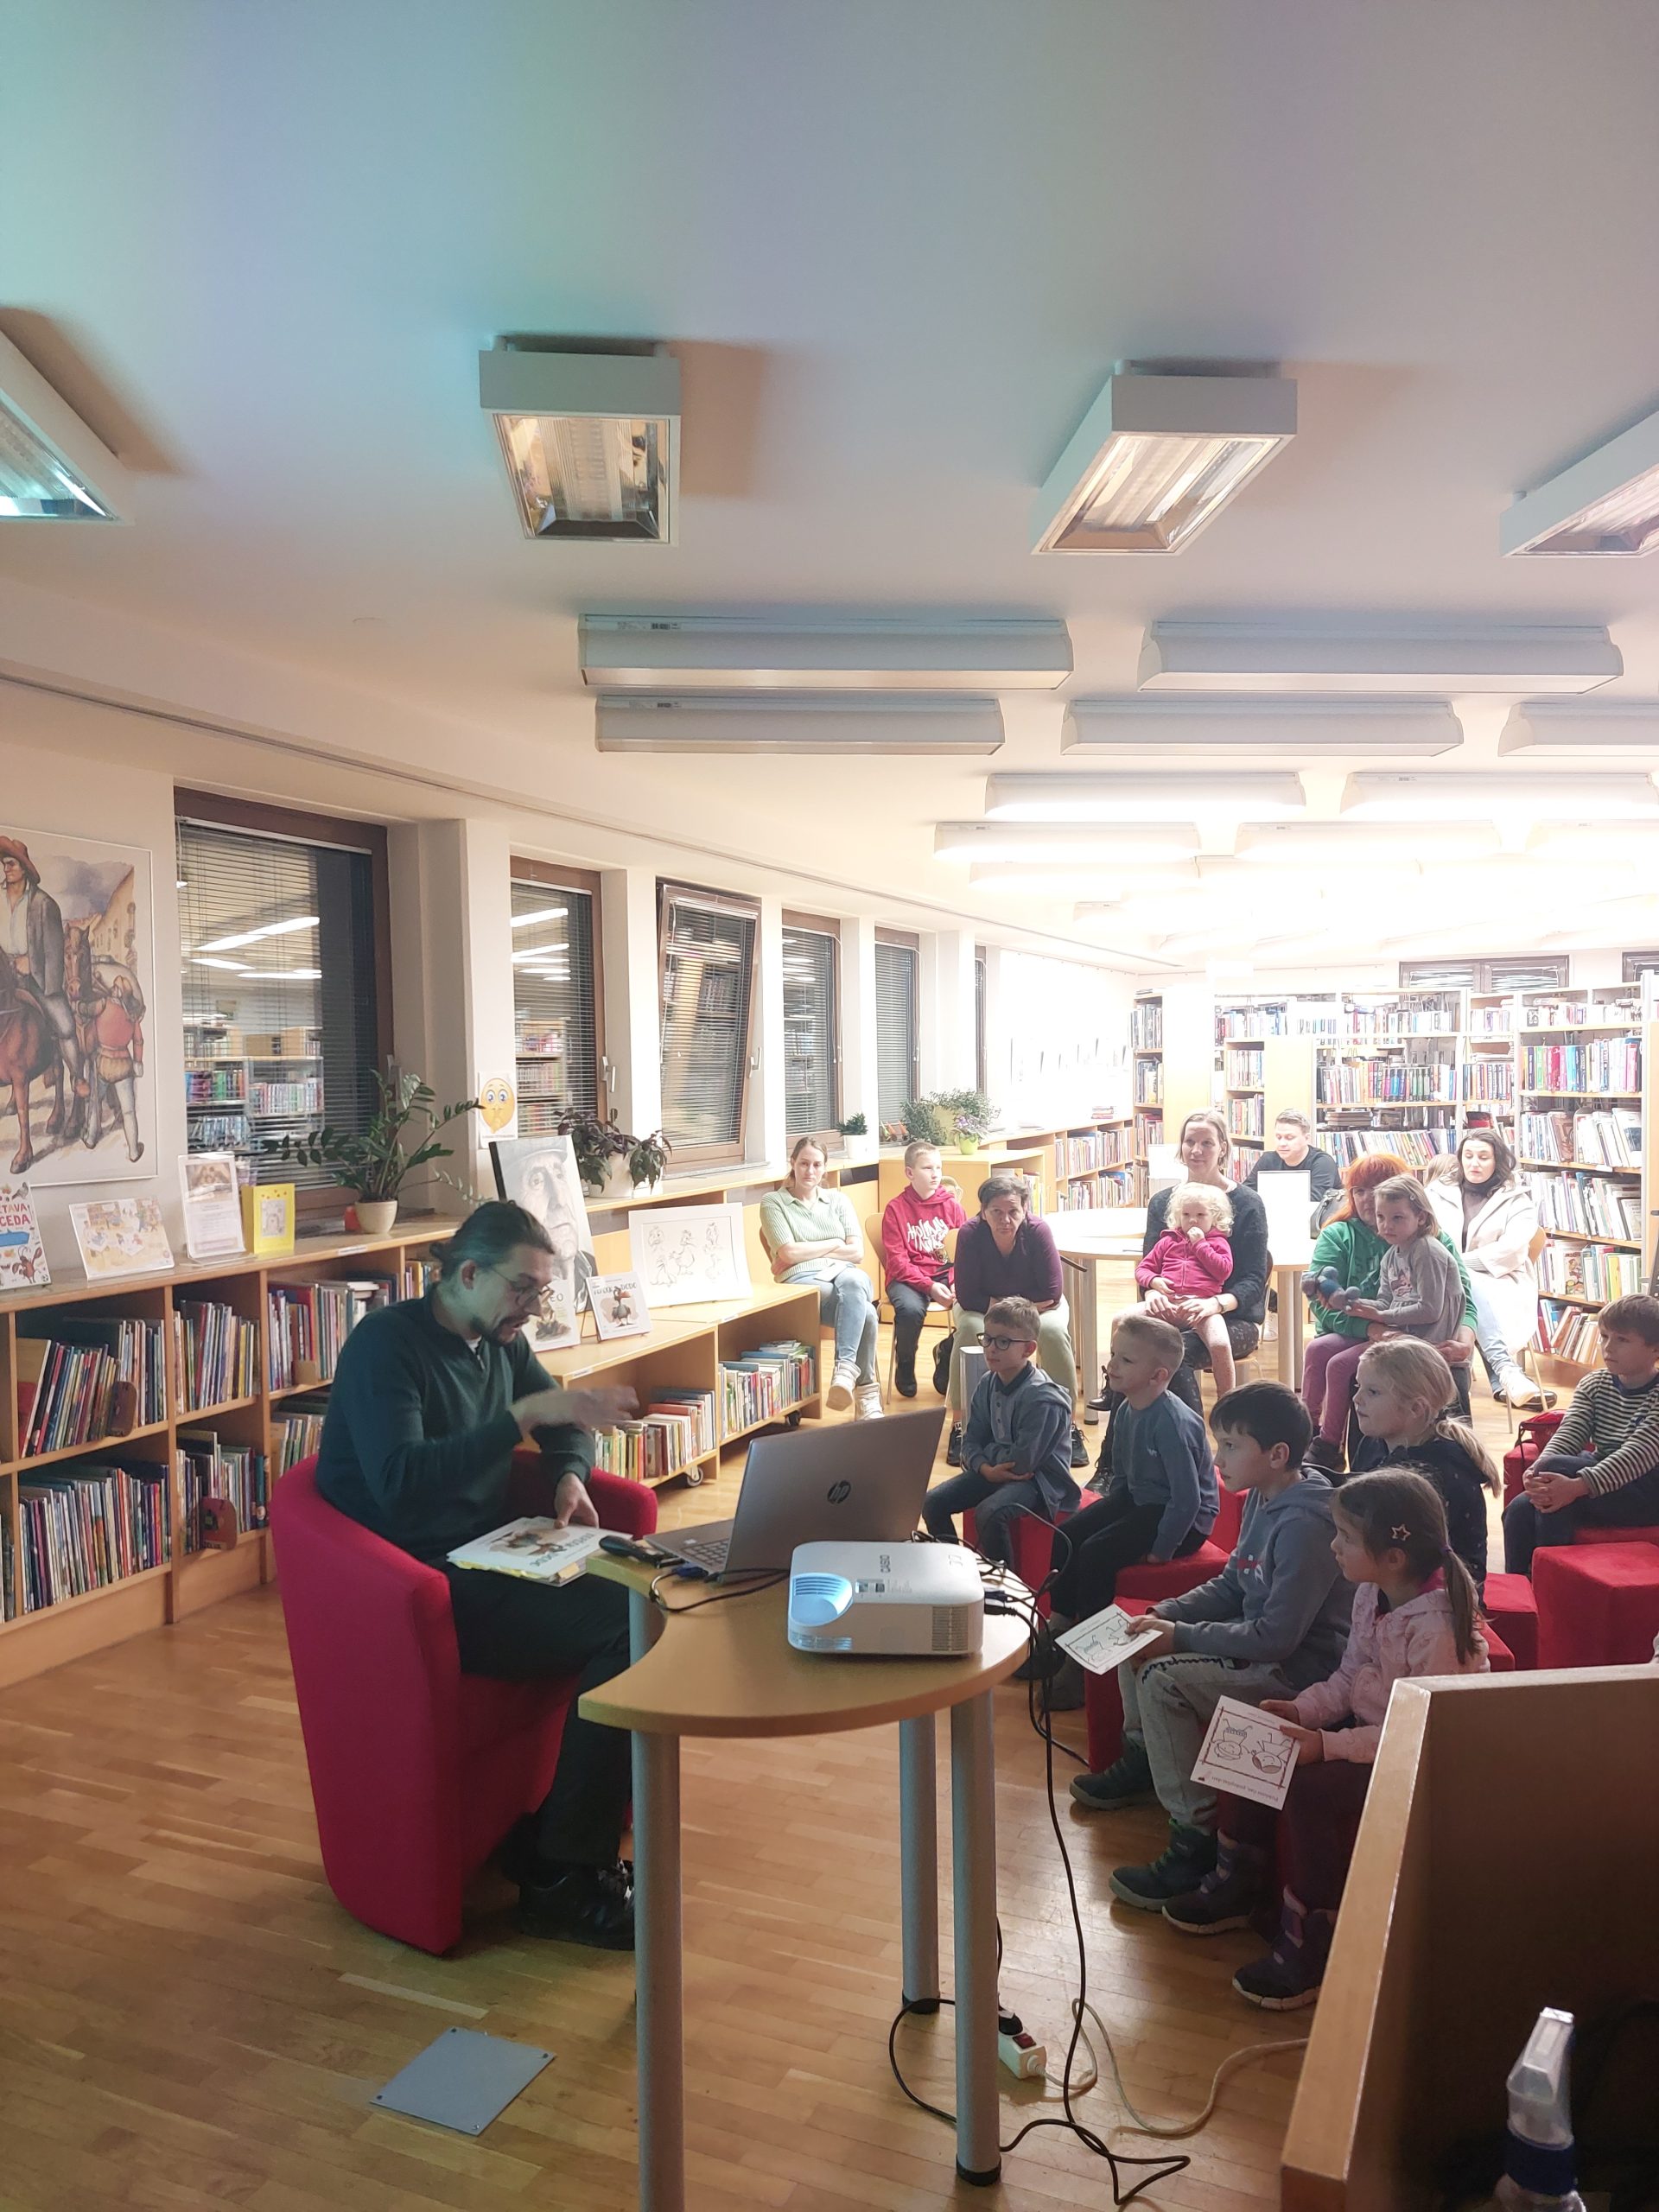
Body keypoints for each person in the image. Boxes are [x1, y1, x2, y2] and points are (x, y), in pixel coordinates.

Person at [314, 1200, 640, 1948]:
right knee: (629, 1626)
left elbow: (560, 1417)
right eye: (522, 1289)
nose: (532, 1308)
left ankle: (555, 1840)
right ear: (467, 1274)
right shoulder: (386, 1348)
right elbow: (401, 1485)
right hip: (415, 1584)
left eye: (540, 1292)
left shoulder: (498, 1341)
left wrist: (568, 1474)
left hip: (489, 1556)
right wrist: (519, 1418)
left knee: (645, 1595)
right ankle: (561, 1876)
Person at [1161, 1470, 1487, 2010]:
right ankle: (1240, 1881)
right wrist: (1300, 1711)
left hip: (1420, 1755)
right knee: (1258, 1735)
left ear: (1393, 1557)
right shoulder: (1371, 1593)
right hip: (1372, 1734)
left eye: (1346, 1537)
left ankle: (1317, 1938)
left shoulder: (1435, 1629)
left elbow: (1417, 1731)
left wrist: (1326, 1747)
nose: (1333, 1545)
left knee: (1309, 1789)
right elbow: (1347, 1676)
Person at [1070, 1382, 1353, 1912]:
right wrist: (1165, 1614)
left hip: (1298, 1672)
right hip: (1262, 1645)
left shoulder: (1304, 1525)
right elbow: (1232, 1583)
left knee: (1163, 1678)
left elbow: (1277, 1638)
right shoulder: (1265, 1497)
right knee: (1140, 1638)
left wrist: (1180, 1637)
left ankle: (1193, 1839)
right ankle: (1143, 1761)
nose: (1217, 1459)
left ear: (1277, 1455)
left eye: (1230, 1446)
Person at [1021, 1313, 1217, 1711]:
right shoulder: (1126, 1408)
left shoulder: (1173, 1422)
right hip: (1143, 1499)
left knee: (1097, 1555)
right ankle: (1060, 1631)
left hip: (1183, 1520)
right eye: (1113, 1355)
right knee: (1069, 1535)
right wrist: (1115, 1509)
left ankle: (1084, 1667)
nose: (1112, 1365)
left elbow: (1187, 1499)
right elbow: (1125, 1476)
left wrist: (1163, 1548)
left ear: (1158, 1376)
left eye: (1126, 1360)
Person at [1300, 1168, 1471, 1472]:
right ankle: (1306, 1432)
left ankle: (1328, 1445)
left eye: (1396, 1218)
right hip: (1400, 1331)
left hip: (1424, 1339)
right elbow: (1385, 1301)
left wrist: (1379, 1316)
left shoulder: (1427, 1250)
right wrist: (1351, 1305)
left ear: (1420, 1217)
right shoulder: (1393, 1254)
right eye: (1382, 1218)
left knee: (1339, 1365)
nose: (1386, 1225)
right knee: (1318, 1349)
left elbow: (1430, 1310)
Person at [1502, 1294, 1659, 1573]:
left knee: (1555, 1486)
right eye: (1604, 1336)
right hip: (1601, 1474)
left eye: (1622, 1340)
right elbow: (1570, 1433)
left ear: (1655, 1349)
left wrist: (1577, 1486)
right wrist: (1538, 1471)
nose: (1608, 1347)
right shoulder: (1595, 1383)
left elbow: (1637, 1455)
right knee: (1518, 1509)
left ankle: (1552, 1583)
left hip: (1647, 1489)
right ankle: (1521, 1590)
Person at [920, 1296, 1080, 1566]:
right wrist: (985, 1468)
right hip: (994, 1472)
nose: (991, 1349)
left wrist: (986, 1454)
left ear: (1028, 1349)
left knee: (990, 1514)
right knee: (932, 1502)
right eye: (988, 1339)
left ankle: (1005, 1584)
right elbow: (969, 1441)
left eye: (1003, 1342)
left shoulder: (1042, 1398)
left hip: (1040, 1482)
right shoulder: (987, 1383)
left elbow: (1022, 1463)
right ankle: (952, 1570)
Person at [1137, 1110, 1268, 1420]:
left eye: (1207, 1143)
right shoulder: (1163, 1202)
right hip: (1173, 1309)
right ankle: (1124, 1444)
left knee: (1173, 1352)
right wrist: (1151, 1293)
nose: (1196, 1150)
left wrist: (1215, 1304)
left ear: (1223, 1148)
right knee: (1133, 1346)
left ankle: (1198, 1440)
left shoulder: (1248, 1203)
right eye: (1189, 1142)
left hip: (1232, 1317)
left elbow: (1253, 1279)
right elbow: (1149, 1265)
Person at [949, 1173, 1083, 1468]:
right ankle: (961, 1424)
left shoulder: (1038, 1231)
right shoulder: (970, 1234)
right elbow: (967, 1296)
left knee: (1053, 1332)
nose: (1005, 1220)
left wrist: (1015, 1309)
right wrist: (1004, 1309)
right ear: (983, 1212)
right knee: (970, 1328)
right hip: (983, 1308)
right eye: (996, 1211)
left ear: (1025, 1209)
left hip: (1037, 1309)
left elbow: (1051, 1292)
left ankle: (1068, 1424)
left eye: (1013, 1211)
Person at [1346, 1337, 1499, 1590]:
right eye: (1358, 1386)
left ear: (1416, 1408)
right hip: (1386, 1575)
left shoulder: (1440, 1472)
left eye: (1372, 1392)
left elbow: (1415, 1558)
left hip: (1438, 1595)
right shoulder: (1373, 1444)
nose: (1356, 1398)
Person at [759, 1136, 882, 1420]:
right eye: (804, 1163)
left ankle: (844, 1372)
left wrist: (806, 1249)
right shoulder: (774, 1202)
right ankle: (865, 1395)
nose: (810, 1171)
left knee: (855, 1282)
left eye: (817, 1165)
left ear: (825, 1168)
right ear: (792, 1163)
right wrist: (835, 1243)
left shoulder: (838, 1200)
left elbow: (858, 1252)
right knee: (866, 1313)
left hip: (844, 1276)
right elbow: (788, 1253)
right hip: (802, 1281)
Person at [1426, 1128, 1548, 1408]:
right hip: (1442, 1277)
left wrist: (1458, 1264)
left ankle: (1467, 1390)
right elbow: (1424, 1235)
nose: (1474, 1163)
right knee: (1462, 1283)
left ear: (1497, 1161)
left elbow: (1511, 1250)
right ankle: (1504, 1371)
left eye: (1483, 1157)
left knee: (1466, 1282)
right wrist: (1453, 1266)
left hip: (1500, 1279)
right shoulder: (1436, 1192)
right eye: (1468, 1156)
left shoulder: (1517, 1199)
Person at [0, 836, 86, 1140]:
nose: (6, 869)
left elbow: (53, 952)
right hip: (3, 974)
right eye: (4, 864)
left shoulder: (44, 905)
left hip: (36, 978)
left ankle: (78, 1082)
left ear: (24, 867)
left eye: (11, 863)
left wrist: (31, 964)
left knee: (64, 1024)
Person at [1132, 1182, 1239, 1397]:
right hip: (1167, 1305)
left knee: (1220, 1343)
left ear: (1215, 1218)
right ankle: (1115, 1383)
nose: (1192, 1220)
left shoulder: (1218, 1243)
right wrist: (1154, 1282)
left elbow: (1223, 1271)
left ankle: (1227, 1399)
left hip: (1202, 1308)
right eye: (1186, 1215)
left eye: (1201, 1215)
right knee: (1121, 1320)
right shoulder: (1167, 1241)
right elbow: (1143, 1269)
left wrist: (1200, 1245)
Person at [880, 1140, 968, 1400]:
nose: (935, 1174)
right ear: (910, 1173)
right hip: (906, 1278)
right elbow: (897, 1262)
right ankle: (905, 1363)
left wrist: (956, 1281)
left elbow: (965, 1253)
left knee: (977, 1305)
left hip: (946, 1274)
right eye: (928, 1168)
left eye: (938, 1168)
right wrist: (929, 1286)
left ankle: (946, 1353)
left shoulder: (953, 1207)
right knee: (910, 1310)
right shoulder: (895, 1209)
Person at [1243, 1109, 1339, 1212]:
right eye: (1278, 1137)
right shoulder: (1268, 1160)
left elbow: (1313, 1204)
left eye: (1289, 1138)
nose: (1282, 1143)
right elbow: (1245, 1194)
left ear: (1307, 1138)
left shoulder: (1323, 1162)